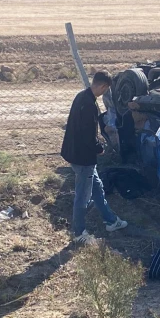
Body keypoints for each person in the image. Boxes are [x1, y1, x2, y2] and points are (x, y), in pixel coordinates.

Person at [61, 71, 127, 244]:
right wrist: (99, 148)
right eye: (106, 89)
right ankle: (79, 232)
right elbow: (88, 135)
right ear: (103, 86)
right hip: (83, 158)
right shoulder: (89, 105)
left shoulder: (81, 96)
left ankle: (111, 221)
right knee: (83, 195)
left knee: (97, 187)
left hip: (75, 153)